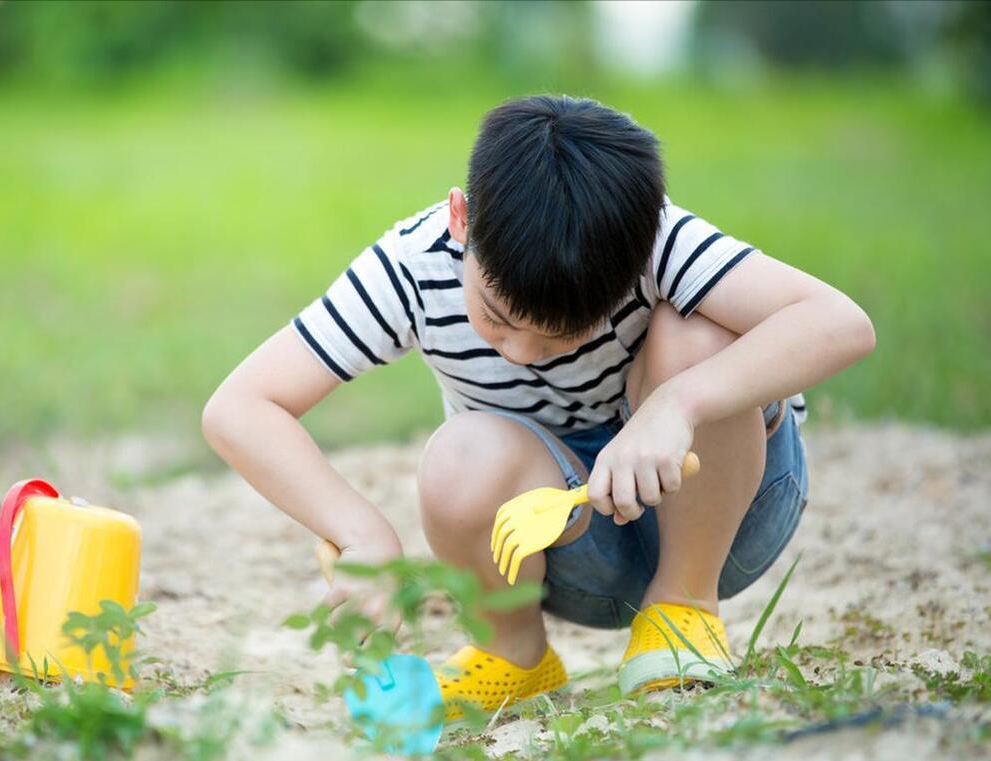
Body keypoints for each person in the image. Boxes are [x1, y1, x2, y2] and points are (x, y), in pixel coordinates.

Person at [201, 95, 875, 719]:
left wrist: (677, 404)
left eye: (562, 334)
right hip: (566, 558)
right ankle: (511, 652)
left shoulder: (657, 240)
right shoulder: (413, 265)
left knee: (699, 332)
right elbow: (240, 406)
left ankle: (683, 607)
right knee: (460, 454)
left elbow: (842, 323)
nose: (521, 353)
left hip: (727, 513)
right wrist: (362, 536)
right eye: (496, 317)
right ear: (461, 219)